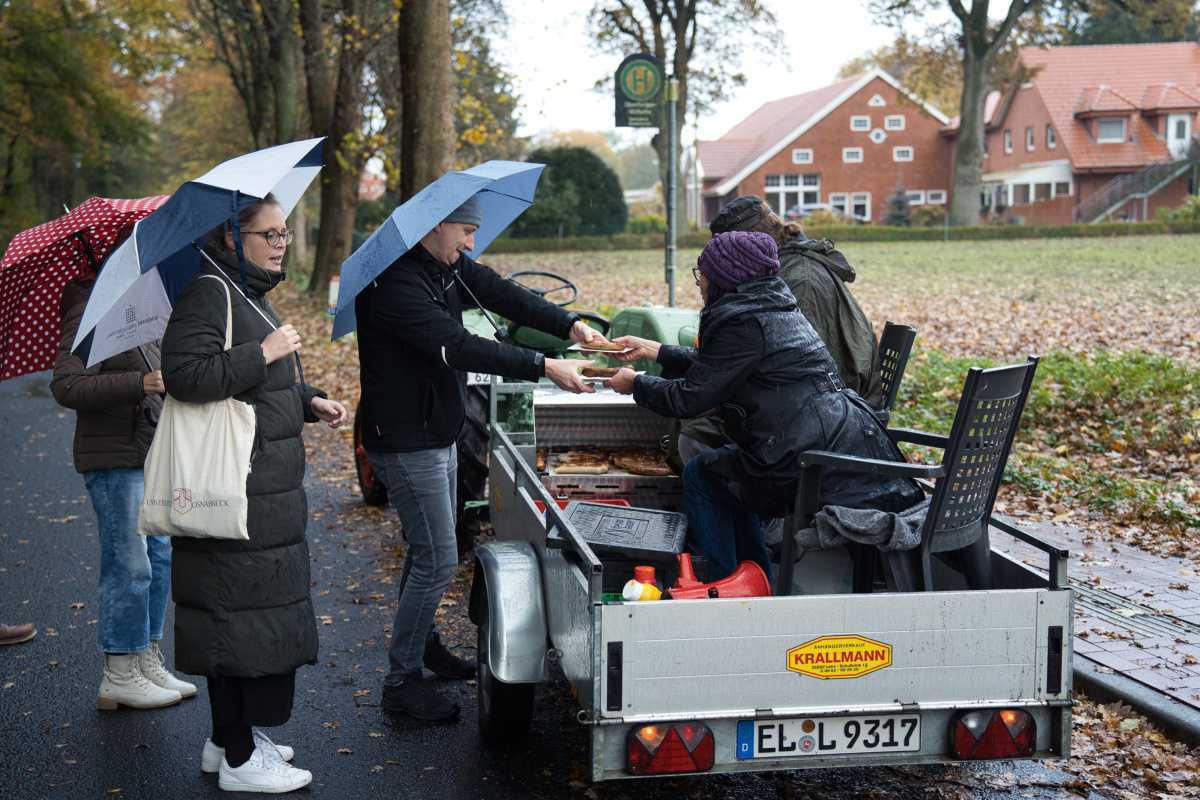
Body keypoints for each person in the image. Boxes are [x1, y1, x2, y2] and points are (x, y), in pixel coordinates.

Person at [356, 194, 601, 723]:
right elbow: (458, 345)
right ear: (433, 224)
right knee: (439, 556)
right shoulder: (394, 285)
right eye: (465, 230)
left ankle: (424, 647)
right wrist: (543, 366)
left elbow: (503, 293)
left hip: (437, 429)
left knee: (426, 551)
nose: (471, 242)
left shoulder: (445, 266)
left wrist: (569, 324)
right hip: (405, 439)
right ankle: (401, 684)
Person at [161, 194, 348, 794]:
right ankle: (242, 757)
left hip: (260, 489)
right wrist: (262, 352)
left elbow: (259, 388)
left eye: (284, 232)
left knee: (244, 618)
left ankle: (226, 741)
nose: (280, 243)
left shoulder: (247, 294)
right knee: (231, 618)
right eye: (267, 234)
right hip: (231, 489)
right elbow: (185, 377)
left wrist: (307, 397)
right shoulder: (209, 293)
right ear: (232, 238)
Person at [609, 231, 921, 581]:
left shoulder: (739, 319)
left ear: (725, 276)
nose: (700, 283)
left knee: (702, 475)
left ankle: (722, 583)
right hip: (831, 439)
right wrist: (656, 350)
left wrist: (635, 382)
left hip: (805, 458)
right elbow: (721, 366)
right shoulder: (774, 305)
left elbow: (689, 398)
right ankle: (754, 578)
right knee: (728, 476)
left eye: (703, 273)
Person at [52, 265, 194, 712]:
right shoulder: (89, 313)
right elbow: (66, 384)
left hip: (151, 453)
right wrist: (141, 383)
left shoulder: (147, 313)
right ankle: (119, 671)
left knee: (159, 557)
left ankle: (145, 657)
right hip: (112, 460)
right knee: (129, 565)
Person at [709, 195, 883, 406]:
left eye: (725, 253)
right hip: (823, 398)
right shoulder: (784, 268)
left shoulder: (800, 281)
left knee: (695, 419)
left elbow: (807, 370)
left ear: (751, 242)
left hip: (834, 410)